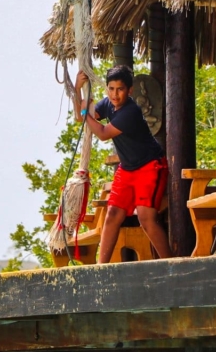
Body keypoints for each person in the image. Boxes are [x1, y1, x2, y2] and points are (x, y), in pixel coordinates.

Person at [73, 65, 173, 263]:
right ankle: (101, 268)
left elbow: (102, 134)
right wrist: (77, 90)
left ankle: (171, 265)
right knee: (112, 215)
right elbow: (80, 116)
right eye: (111, 89)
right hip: (127, 169)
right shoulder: (107, 104)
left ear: (130, 90)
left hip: (150, 166)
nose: (115, 94)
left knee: (146, 218)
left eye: (120, 89)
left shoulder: (131, 112)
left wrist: (86, 113)